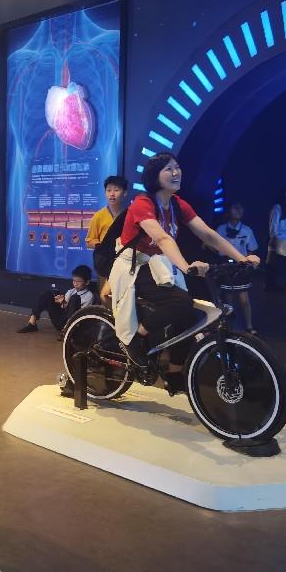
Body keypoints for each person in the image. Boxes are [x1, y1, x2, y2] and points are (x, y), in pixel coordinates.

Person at [108, 153, 259, 392]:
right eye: (168, 169)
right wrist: (185, 267)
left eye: (177, 167)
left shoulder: (177, 204)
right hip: (134, 266)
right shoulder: (142, 204)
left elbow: (208, 234)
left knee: (188, 317)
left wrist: (242, 258)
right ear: (154, 176)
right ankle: (136, 338)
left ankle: (174, 372)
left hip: (159, 263)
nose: (176, 172)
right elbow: (162, 238)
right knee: (180, 302)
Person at [215, 203, 259, 334]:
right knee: (228, 298)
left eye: (241, 208)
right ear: (228, 211)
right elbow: (213, 246)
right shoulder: (221, 229)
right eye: (235, 208)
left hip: (241, 266)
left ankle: (249, 326)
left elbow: (252, 249)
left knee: (244, 298)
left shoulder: (247, 230)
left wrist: (247, 263)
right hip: (226, 265)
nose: (239, 210)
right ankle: (231, 327)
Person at [18, 264, 96, 333]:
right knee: (47, 295)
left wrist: (67, 304)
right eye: (74, 280)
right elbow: (64, 308)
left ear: (87, 282)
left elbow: (81, 314)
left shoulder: (89, 296)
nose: (75, 283)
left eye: (78, 281)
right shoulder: (71, 291)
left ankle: (67, 330)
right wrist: (60, 302)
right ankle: (32, 323)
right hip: (61, 320)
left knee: (75, 298)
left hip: (73, 324)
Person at [265, 188, 286, 290]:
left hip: (283, 239)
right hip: (277, 239)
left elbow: (282, 224)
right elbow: (273, 224)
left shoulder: (283, 207)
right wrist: (273, 238)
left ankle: (273, 285)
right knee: (272, 261)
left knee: (275, 262)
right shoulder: (277, 207)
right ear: (285, 194)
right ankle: (270, 285)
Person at [86, 176, 128, 248]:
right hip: (105, 254)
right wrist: (103, 247)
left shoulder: (129, 215)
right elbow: (89, 241)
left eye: (116, 190)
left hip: (126, 254)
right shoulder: (98, 216)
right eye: (109, 190)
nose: (112, 194)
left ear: (125, 193)